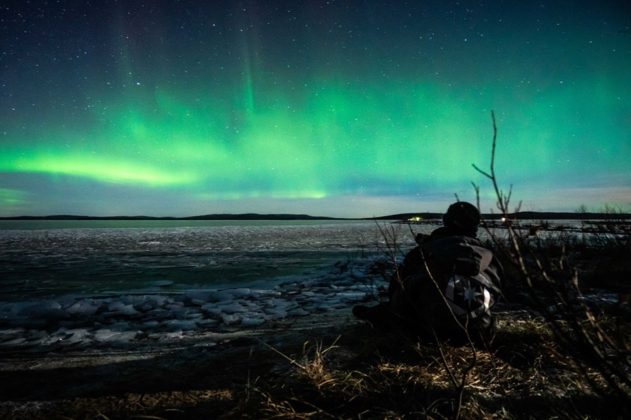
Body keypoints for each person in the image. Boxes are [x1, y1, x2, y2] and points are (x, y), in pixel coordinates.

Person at [353, 201, 503, 345]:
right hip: (480, 335)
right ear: (475, 225)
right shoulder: (491, 258)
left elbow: (398, 295)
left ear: (446, 221)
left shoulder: (423, 253)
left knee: (395, 309)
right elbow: (497, 294)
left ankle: (374, 315)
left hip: (428, 335)